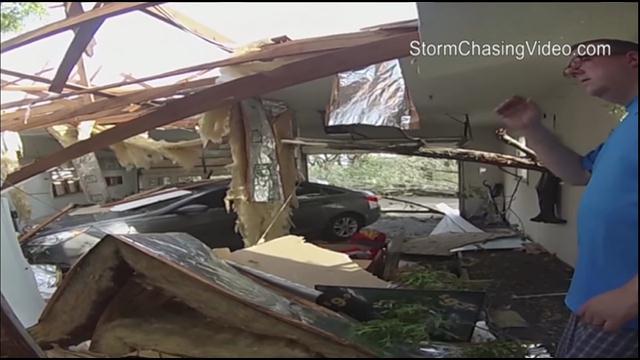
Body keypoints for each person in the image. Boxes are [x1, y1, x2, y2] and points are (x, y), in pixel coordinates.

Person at [495, 39, 638, 358]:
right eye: (571, 65)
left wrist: (632, 295)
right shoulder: (628, 124)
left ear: (632, 59)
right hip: (598, 302)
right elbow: (578, 173)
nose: (574, 68)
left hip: (625, 313)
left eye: (586, 58)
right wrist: (532, 129)